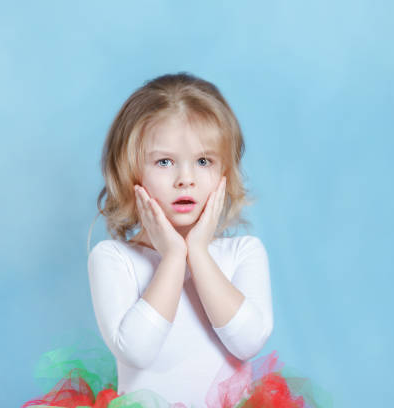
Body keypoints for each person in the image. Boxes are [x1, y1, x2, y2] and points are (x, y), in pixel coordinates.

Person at [87, 72, 274, 407]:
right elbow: (138, 351)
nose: (185, 179)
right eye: (164, 162)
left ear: (224, 173)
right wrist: (173, 257)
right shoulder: (113, 258)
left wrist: (198, 252)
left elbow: (247, 342)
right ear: (130, 172)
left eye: (203, 161)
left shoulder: (244, 252)